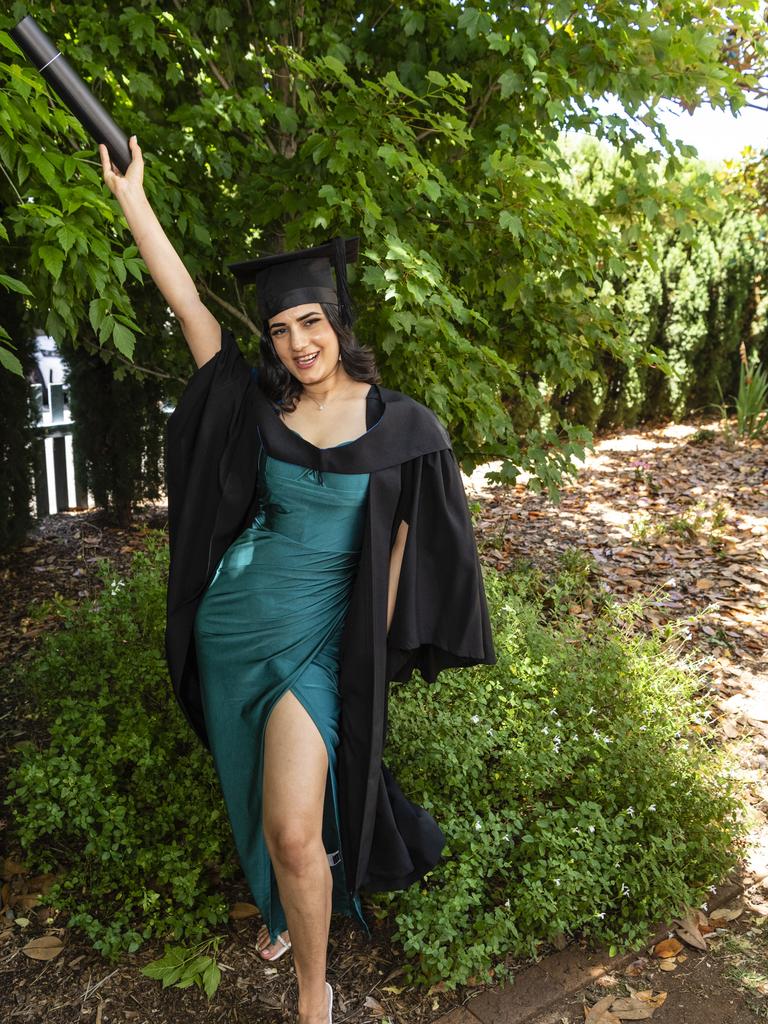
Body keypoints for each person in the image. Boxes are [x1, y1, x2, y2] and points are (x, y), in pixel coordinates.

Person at [100, 135, 495, 1024]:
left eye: (309, 322)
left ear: (338, 320)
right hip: (231, 632)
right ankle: (284, 914)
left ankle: (314, 997)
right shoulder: (261, 408)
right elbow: (189, 305)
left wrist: (371, 665)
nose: (296, 342)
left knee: (293, 828)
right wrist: (133, 197)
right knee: (260, 807)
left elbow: (402, 555)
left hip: (315, 647)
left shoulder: (405, 430)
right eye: (280, 329)